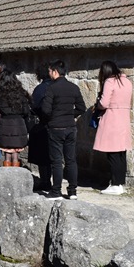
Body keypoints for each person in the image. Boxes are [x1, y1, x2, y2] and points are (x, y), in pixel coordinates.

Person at [42, 59, 86, 200]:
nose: (48, 74)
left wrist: (54, 116)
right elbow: (81, 108)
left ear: (55, 72)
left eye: (49, 71)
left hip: (56, 127)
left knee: (56, 161)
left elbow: (45, 110)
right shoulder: (73, 87)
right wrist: (69, 114)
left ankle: (56, 192)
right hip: (70, 127)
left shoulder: (51, 88)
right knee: (71, 160)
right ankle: (72, 191)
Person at [93, 61, 134, 195]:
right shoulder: (127, 82)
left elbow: (104, 103)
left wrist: (97, 105)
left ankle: (115, 184)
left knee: (112, 153)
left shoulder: (110, 82)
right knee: (121, 153)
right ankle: (120, 182)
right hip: (123, 119)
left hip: (112, 119)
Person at [0, 68, 31, 167]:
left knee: (7, 153)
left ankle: (7, 175)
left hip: (4, 125)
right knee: (15, 153)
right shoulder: (21, 94)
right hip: (18, 125)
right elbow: (26, 111)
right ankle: (16, 175)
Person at [28, 64, 52, 192]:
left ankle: (45, 181)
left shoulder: (41, 88)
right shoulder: (55, 86)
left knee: (43, 157)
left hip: (43, 125)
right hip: (56, 124)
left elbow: (34, 105)